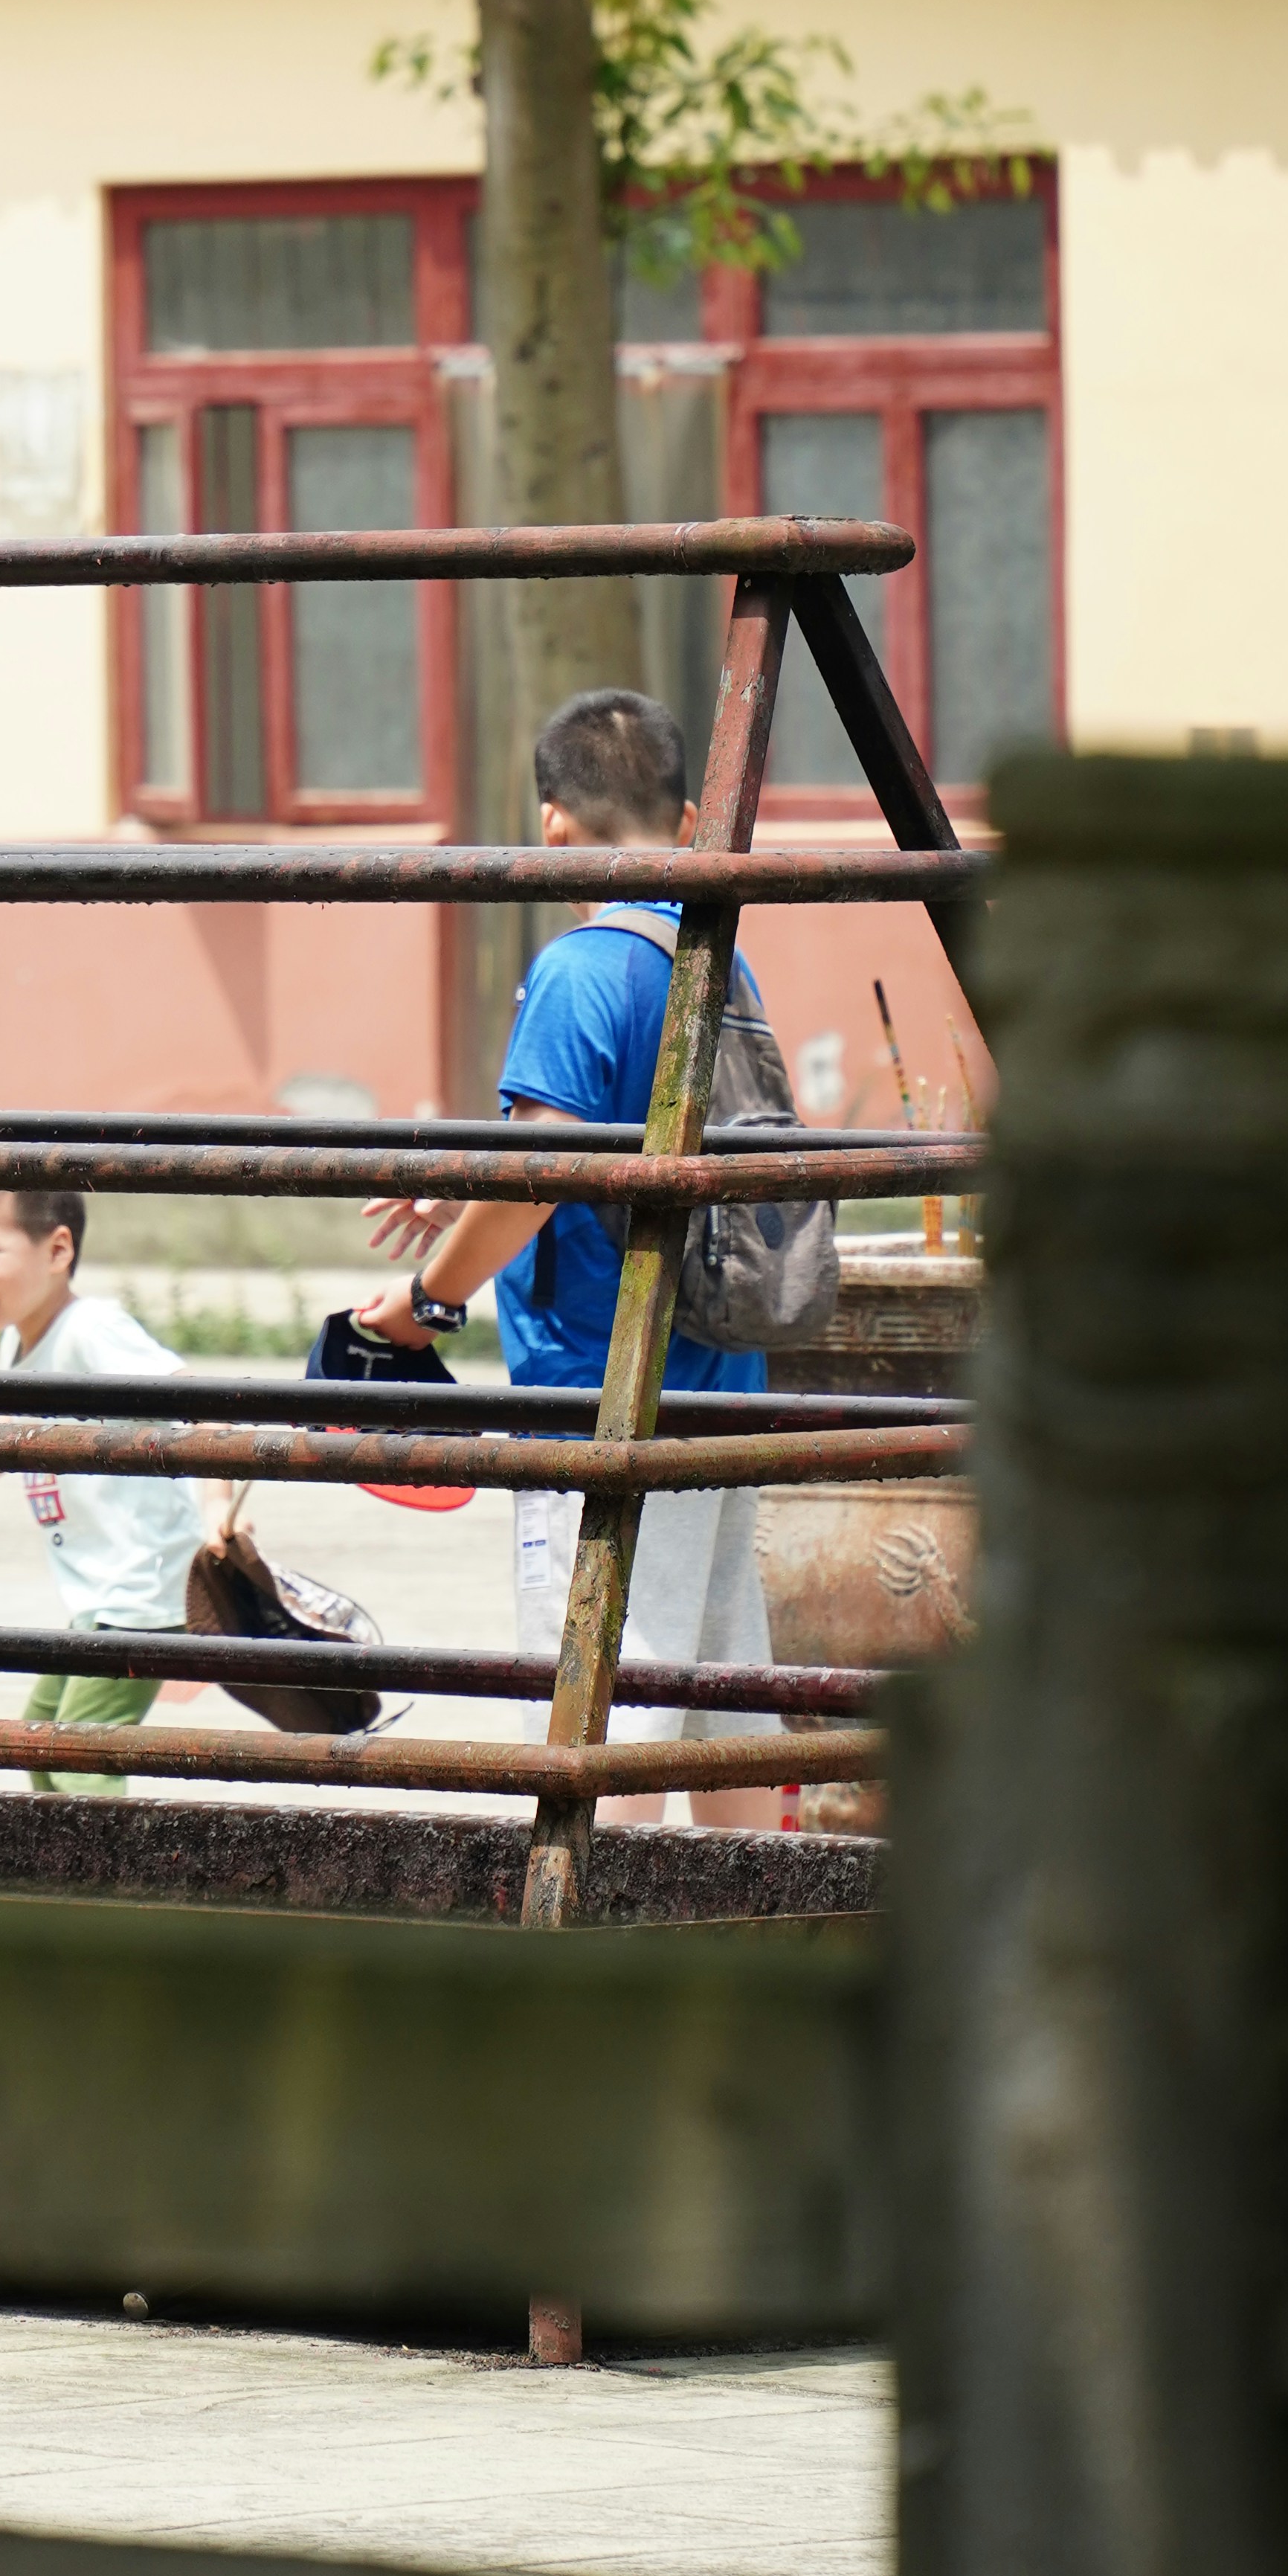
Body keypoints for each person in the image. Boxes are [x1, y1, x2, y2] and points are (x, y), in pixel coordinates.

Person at [354, 685, 780, 1831]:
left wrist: (426, 1300)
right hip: (723, 1390)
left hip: (601, 1395)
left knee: (602, 1717)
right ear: (689, 817)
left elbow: (542, 1178)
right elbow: (613, 1145)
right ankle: (768, 1949)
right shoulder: (716, 960)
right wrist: (467, 1186)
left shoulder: (584, 966)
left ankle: (601, 1964)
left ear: (551, 824)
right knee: (718, 1704)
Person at [0, 1187, 206, 1793]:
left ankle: (120, 1879)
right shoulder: (21, 1340)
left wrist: (220, 1516)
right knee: (39, 1742)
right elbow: (13, 1438)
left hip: (143, 1591)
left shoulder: (91, 1330)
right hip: (102, 1595)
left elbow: (197, 1406)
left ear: (58, 1250)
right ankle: (71, 1872)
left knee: (80, 1761)